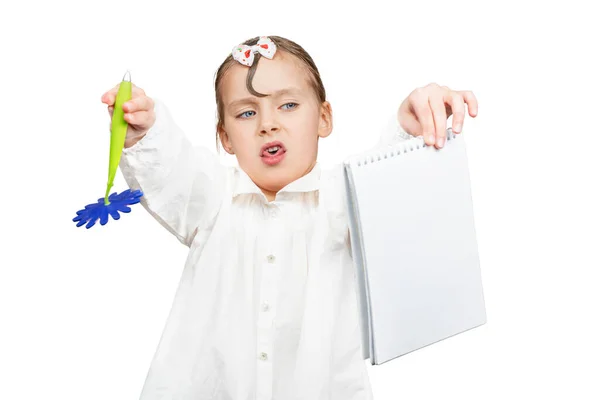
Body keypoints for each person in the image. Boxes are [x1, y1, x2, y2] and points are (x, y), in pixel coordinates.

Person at [101, 35, 478, 400]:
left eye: (288, 105)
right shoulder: (213, 198)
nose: (267, 124)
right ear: (226, 137)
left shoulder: (340, 203)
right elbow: (172, 169)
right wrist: (145, 130)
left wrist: (409, 130)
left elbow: (385, 186)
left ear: (324, 118)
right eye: (246, 112)